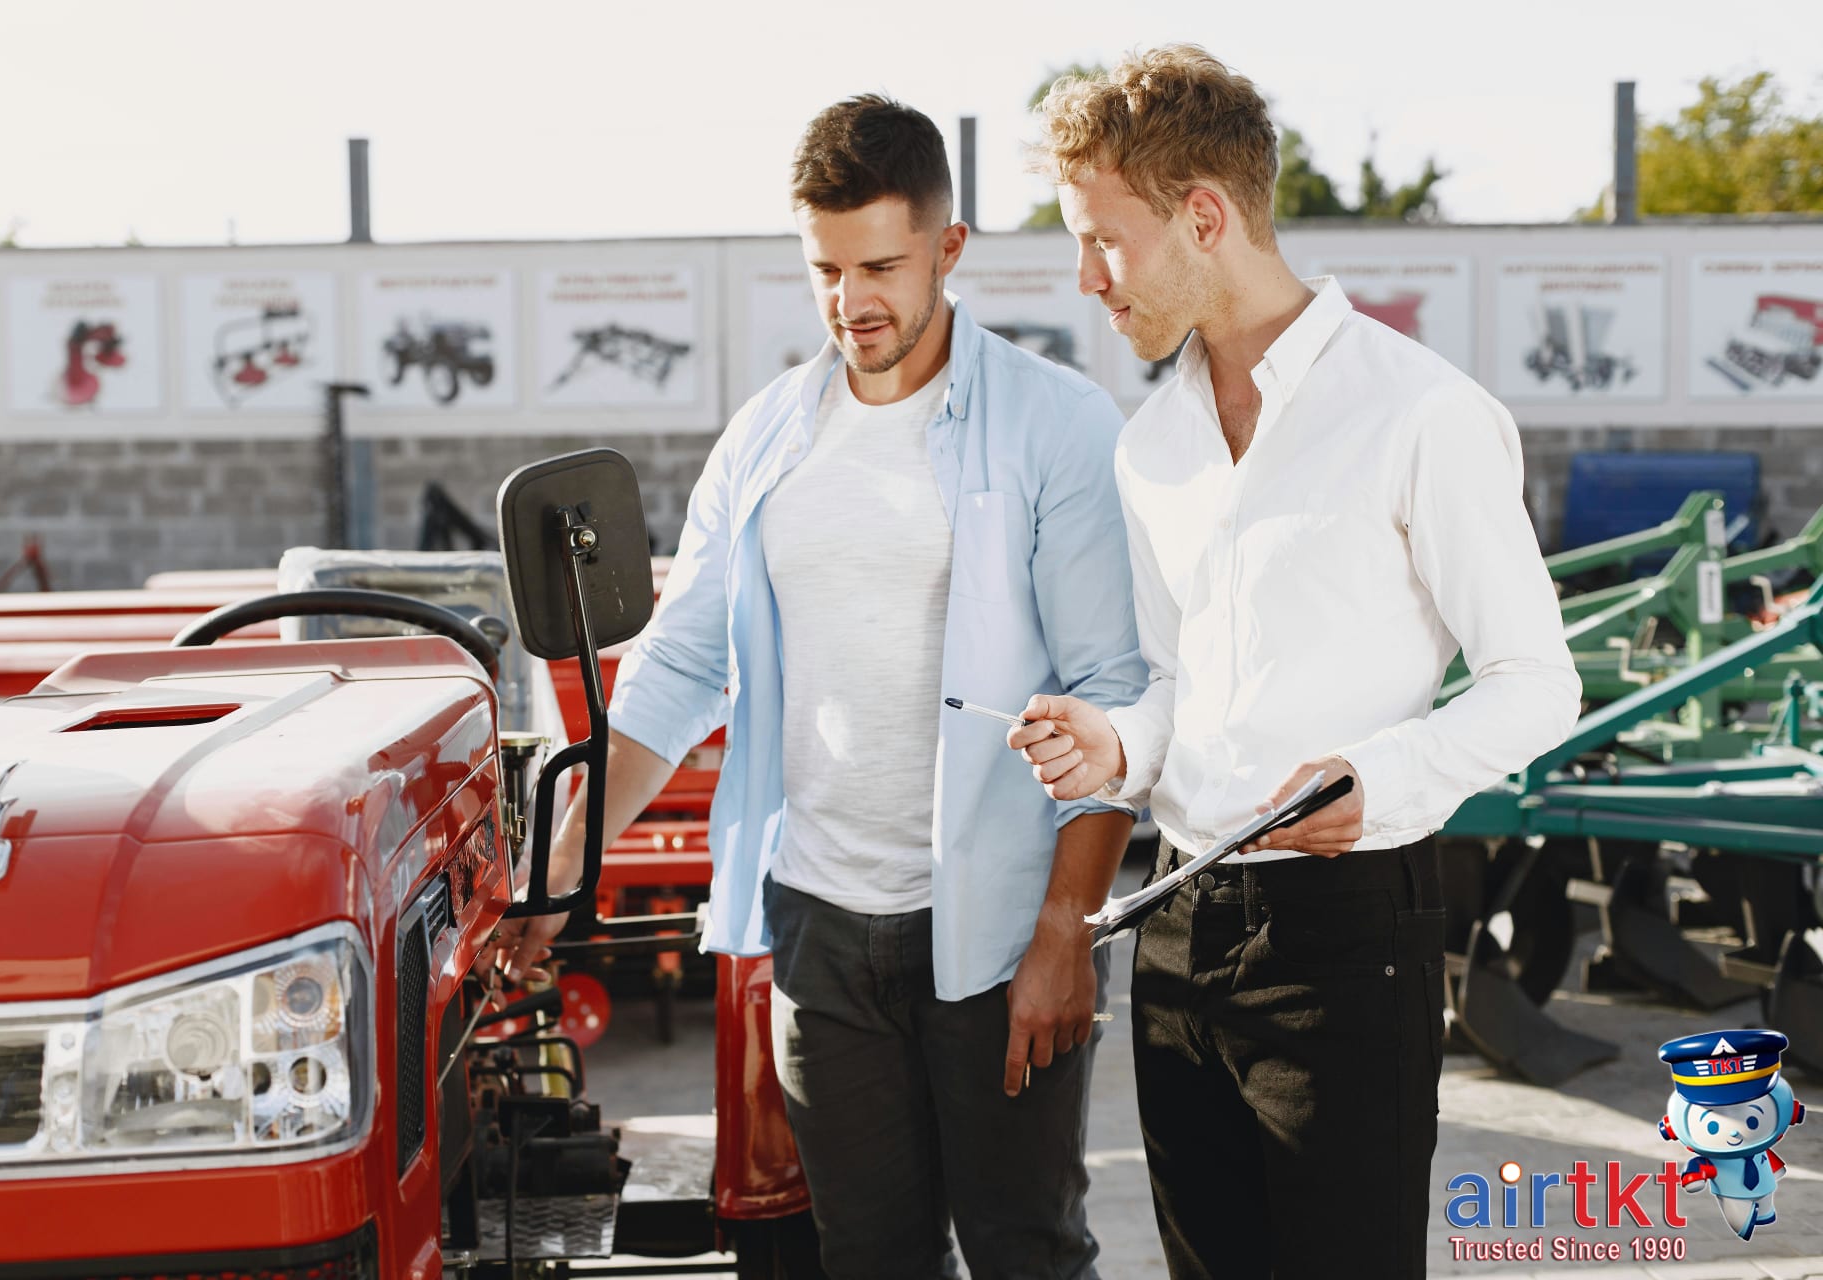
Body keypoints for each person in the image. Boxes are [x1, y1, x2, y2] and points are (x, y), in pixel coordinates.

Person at [495, 95, 1146, 1280]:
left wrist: (1067, 932)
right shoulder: (766, 440)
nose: (855, 302)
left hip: (1001, 928)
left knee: (1028, 1251)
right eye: (826, 270)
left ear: (951, 250)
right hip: (820, 929)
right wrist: (562, 866)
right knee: (867, 1257)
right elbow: (684, 666)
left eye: (883, 264)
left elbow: (1112, 692)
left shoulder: (1058, 425)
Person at [1008, 46, 1583, 1280]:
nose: (1085, 279)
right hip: (1173, 930)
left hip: (1347, 939)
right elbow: (1173, 683)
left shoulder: (1420, 412)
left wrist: (1376, 779)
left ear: (1202, 216)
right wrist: (1118, 743)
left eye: (1103, 239)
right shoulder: (1151, 442)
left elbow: (1539, 677)